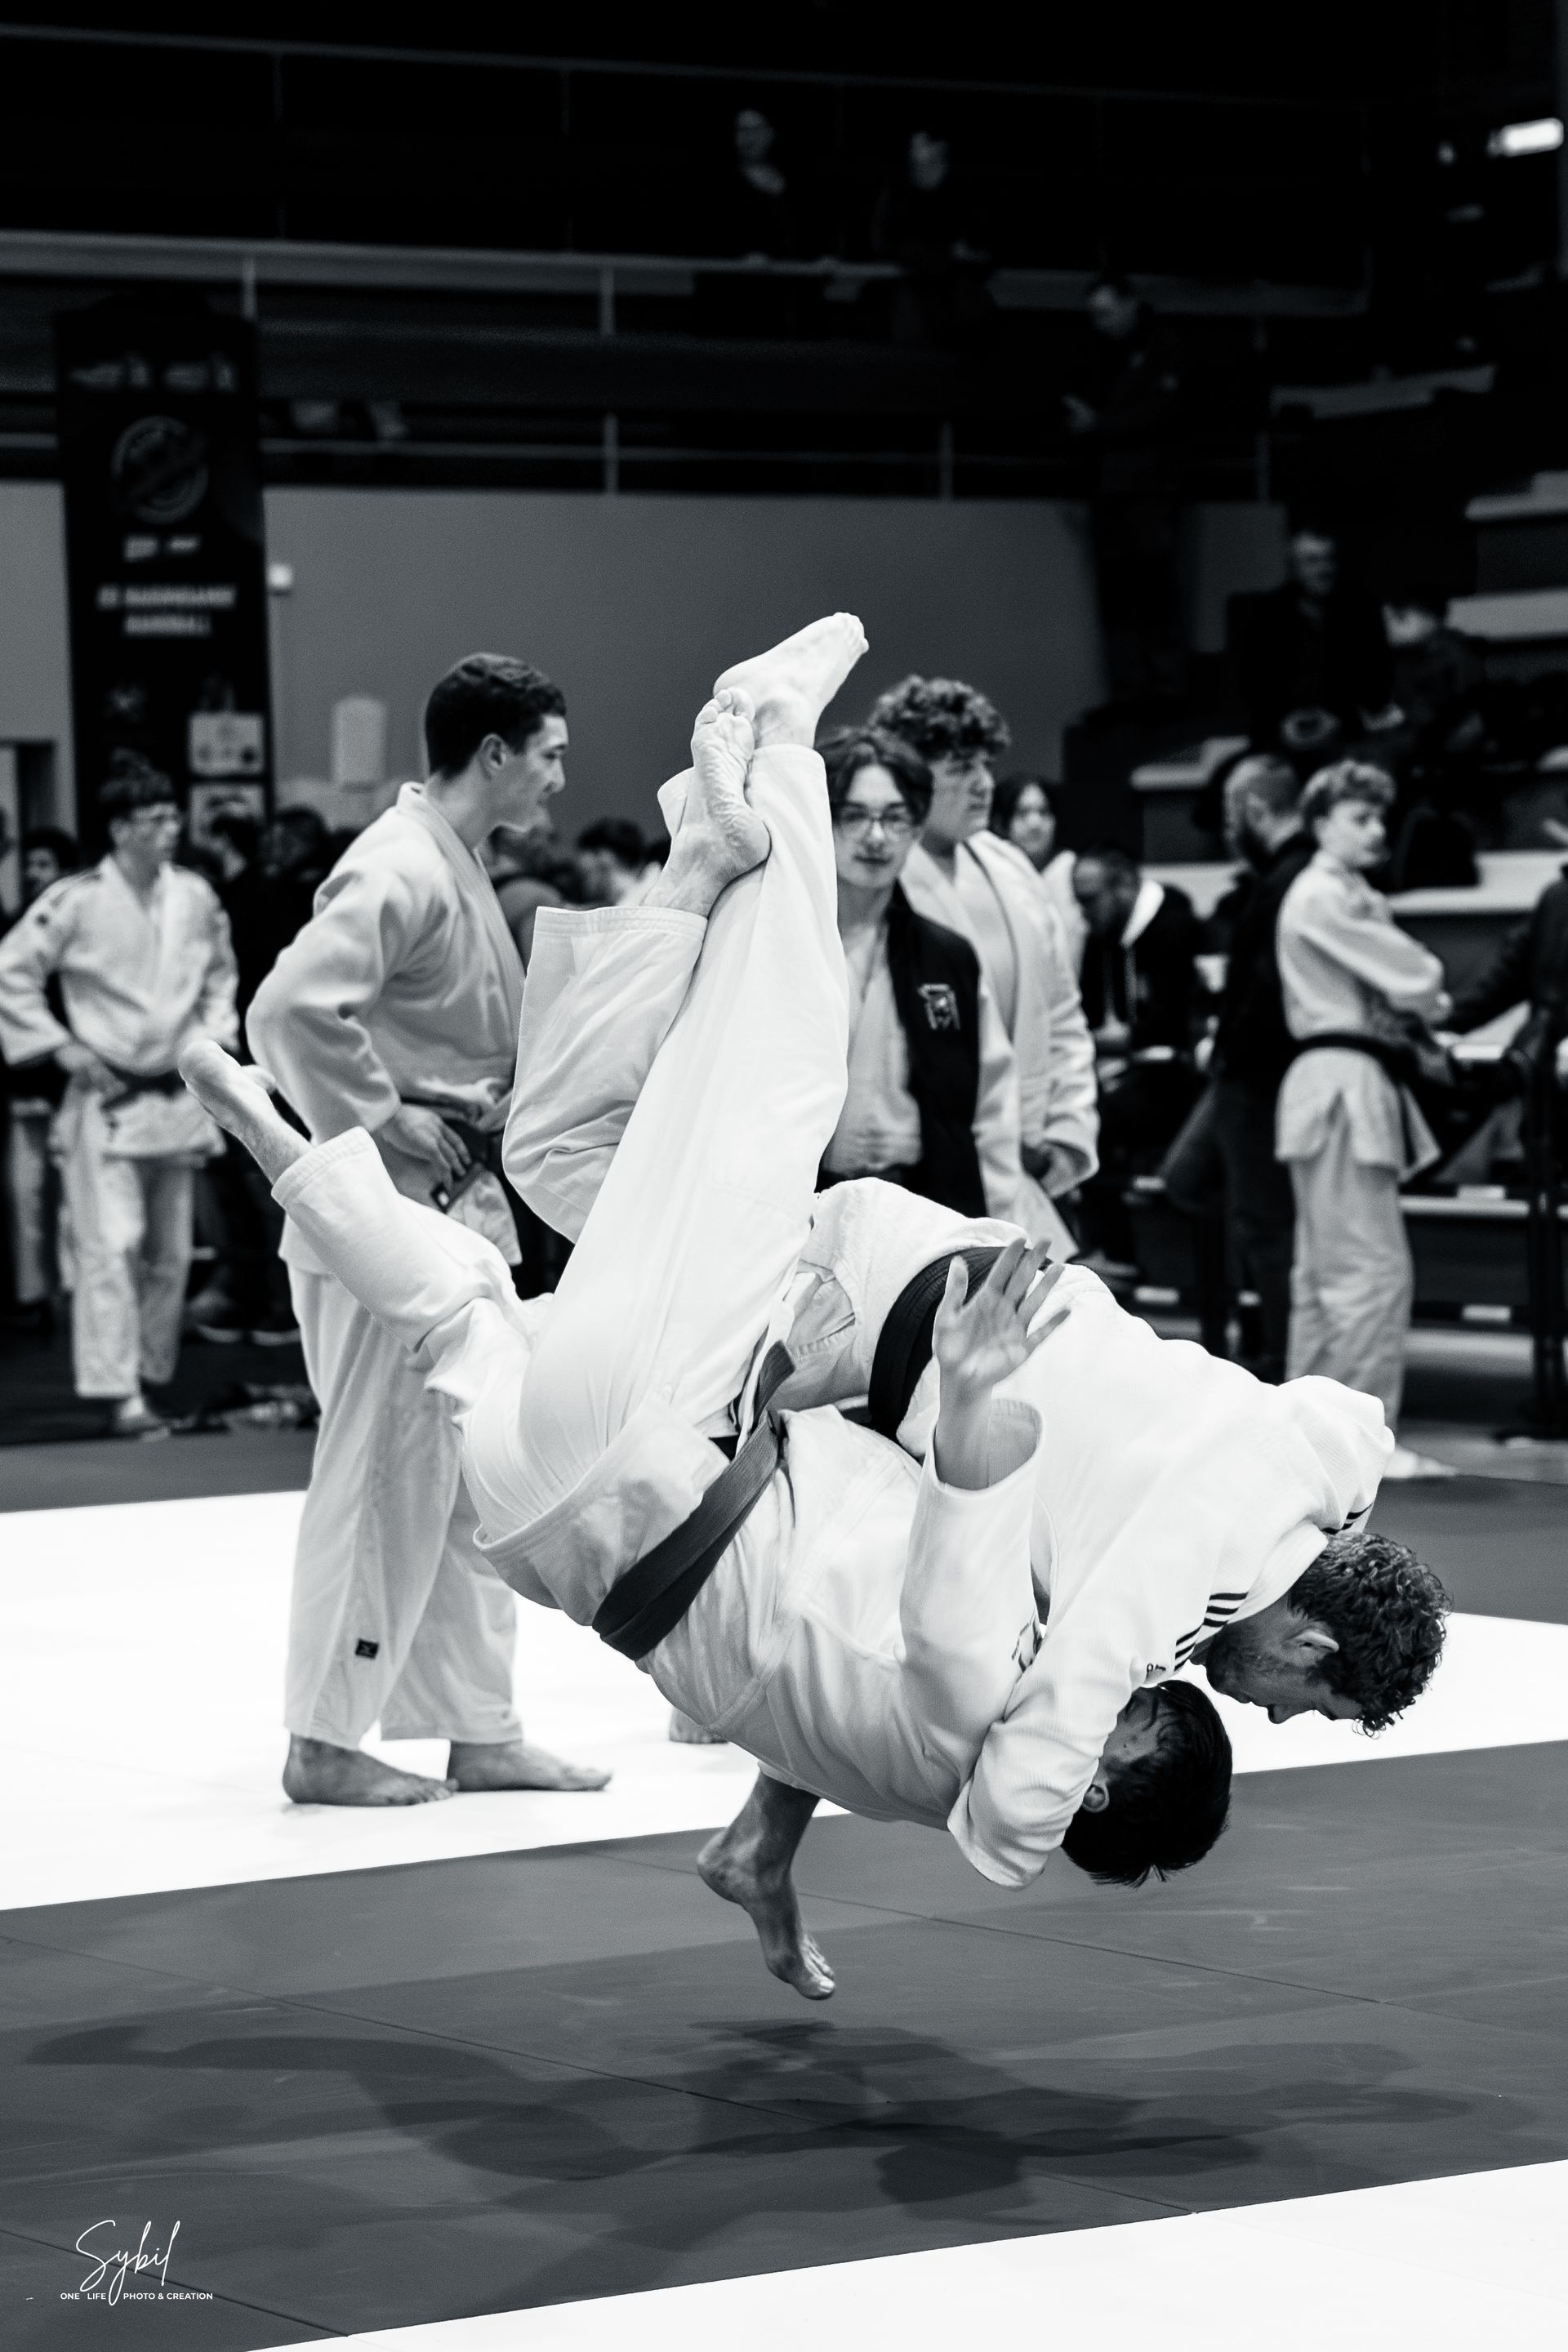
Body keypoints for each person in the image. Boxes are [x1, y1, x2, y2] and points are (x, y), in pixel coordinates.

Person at [187, 621, 1443, 1997]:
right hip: (862, 1336)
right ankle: (770, 761)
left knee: (569, 1161)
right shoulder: (1151, 1601)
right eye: (1308, 1703)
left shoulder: (1309, 1470)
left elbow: (1334, 1426)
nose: (1273, 1716)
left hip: (846, 1371)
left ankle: (696, 862)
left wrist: (1333, 1503)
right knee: (752, 1096)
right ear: (1314, 1642)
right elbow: (1006, 1800)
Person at [247, 653, 608, 1808]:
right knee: (381, 1477)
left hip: (440, 1212)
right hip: (380, 1226)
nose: (561, 777)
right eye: (549, 754)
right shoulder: (401, 862)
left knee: (462, 1478)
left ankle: (475, 1726)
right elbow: (286, 1009)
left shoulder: (452, 860)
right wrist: (382, 1112)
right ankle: (323, 1739)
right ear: (494, 753)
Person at [0, 770, 237, 1436]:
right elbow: (10, 973)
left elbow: (222, 976)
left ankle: (150, 1374)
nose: (171, 829)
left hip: (176, 1097)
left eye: (172, 816)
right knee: (112, 1246)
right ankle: (121, 1392)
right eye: (155, 819)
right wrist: (61, 1047)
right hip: (106, 1098)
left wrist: (212, 1041)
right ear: (119, 829)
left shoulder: (195, 894)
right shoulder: (75, 900)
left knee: (171, 1254)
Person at [875, 675, 1098, 1255]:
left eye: (984, 764)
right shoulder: (876, 880)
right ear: (906, 773)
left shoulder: (1010, 867)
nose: (983, 784)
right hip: (930, 1163)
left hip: (1033, 1156)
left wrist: (1066, 1130)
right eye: (959, 767)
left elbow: (1061, 1010)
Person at [1276, 760, 1454, 1479]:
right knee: (1367, 1275)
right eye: (1359, 817)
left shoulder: (1332, 892)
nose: (1376, 830)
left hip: (1334, 1079)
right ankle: (1357, 1445)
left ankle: (1312, 1443)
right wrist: (1426, 994)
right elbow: (1420, 978)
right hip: (1340, 1080)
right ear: (1320, 824)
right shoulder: (1322, 895)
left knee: (1325, 1278)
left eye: (1380, 817)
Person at [818, 726, 1032, 1224]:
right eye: (854, 816)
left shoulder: (947, 957)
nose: (876, 837)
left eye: (895, 817)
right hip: (802, 1206)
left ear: (917, 829)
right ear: (820, 823)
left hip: (925, 1207)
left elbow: (991, 1110)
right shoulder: (782, 948)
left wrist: (997, 1231)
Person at [1162, 758, 1314, 1381]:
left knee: (1263, 1223)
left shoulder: (1288, 881)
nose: (1228, 833)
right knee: (1197, 1184)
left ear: (1254, 810)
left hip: (1257, 1074)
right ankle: (1248, 1332)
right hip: (1247, 1071)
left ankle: (1278, 1357)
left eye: (1230, 817)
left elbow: (1267, 991)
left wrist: (1224, 1048)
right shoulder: (1285, 877)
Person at [1071, 843, 1202, 1275]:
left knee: (1094, 1120)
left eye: (1090, 899)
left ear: (1124, 886)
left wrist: (1108, 1042)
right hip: (1129, 1068)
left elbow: (1168, 1026)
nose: (1083, 912)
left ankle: (1118, 1252)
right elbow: (1086, 1011)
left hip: (1181, 1075)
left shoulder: (1176, 927)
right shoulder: (1102, 935)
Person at [1064, 274, 1187, 707]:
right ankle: (1129, 692)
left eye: (1105, 312)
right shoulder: (1099, 353)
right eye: (1094, 315)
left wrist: (1099, 425)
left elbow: (1166, 414)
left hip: (1151, 494)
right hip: (1111, 495)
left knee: (1155, 595)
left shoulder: (1165, 348)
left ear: (1129, 303)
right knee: (1118, 599)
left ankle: (1166, 691)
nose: (1100, 323)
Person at [1230, 524, 1398, 760]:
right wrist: (1282, 723)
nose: (1324, 569)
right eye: (1312, 561)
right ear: (1294, 568)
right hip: (1279, 740)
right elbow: (1252, 685)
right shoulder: (1266, 615)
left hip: (1348, 739)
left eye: (1330, 559)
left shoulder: (1362, 611)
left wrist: (1340, 719)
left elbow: (1378, 682)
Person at [1, 826, 79, 1328]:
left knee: (76, 1198)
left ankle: (74, 1292)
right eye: (29, 865)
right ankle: (34, 1295)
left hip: (77, 1081)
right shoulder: (16, 927)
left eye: (45, 865)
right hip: (26, 1084)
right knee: (26, 1196)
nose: (34, 874)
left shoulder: (85, 930)